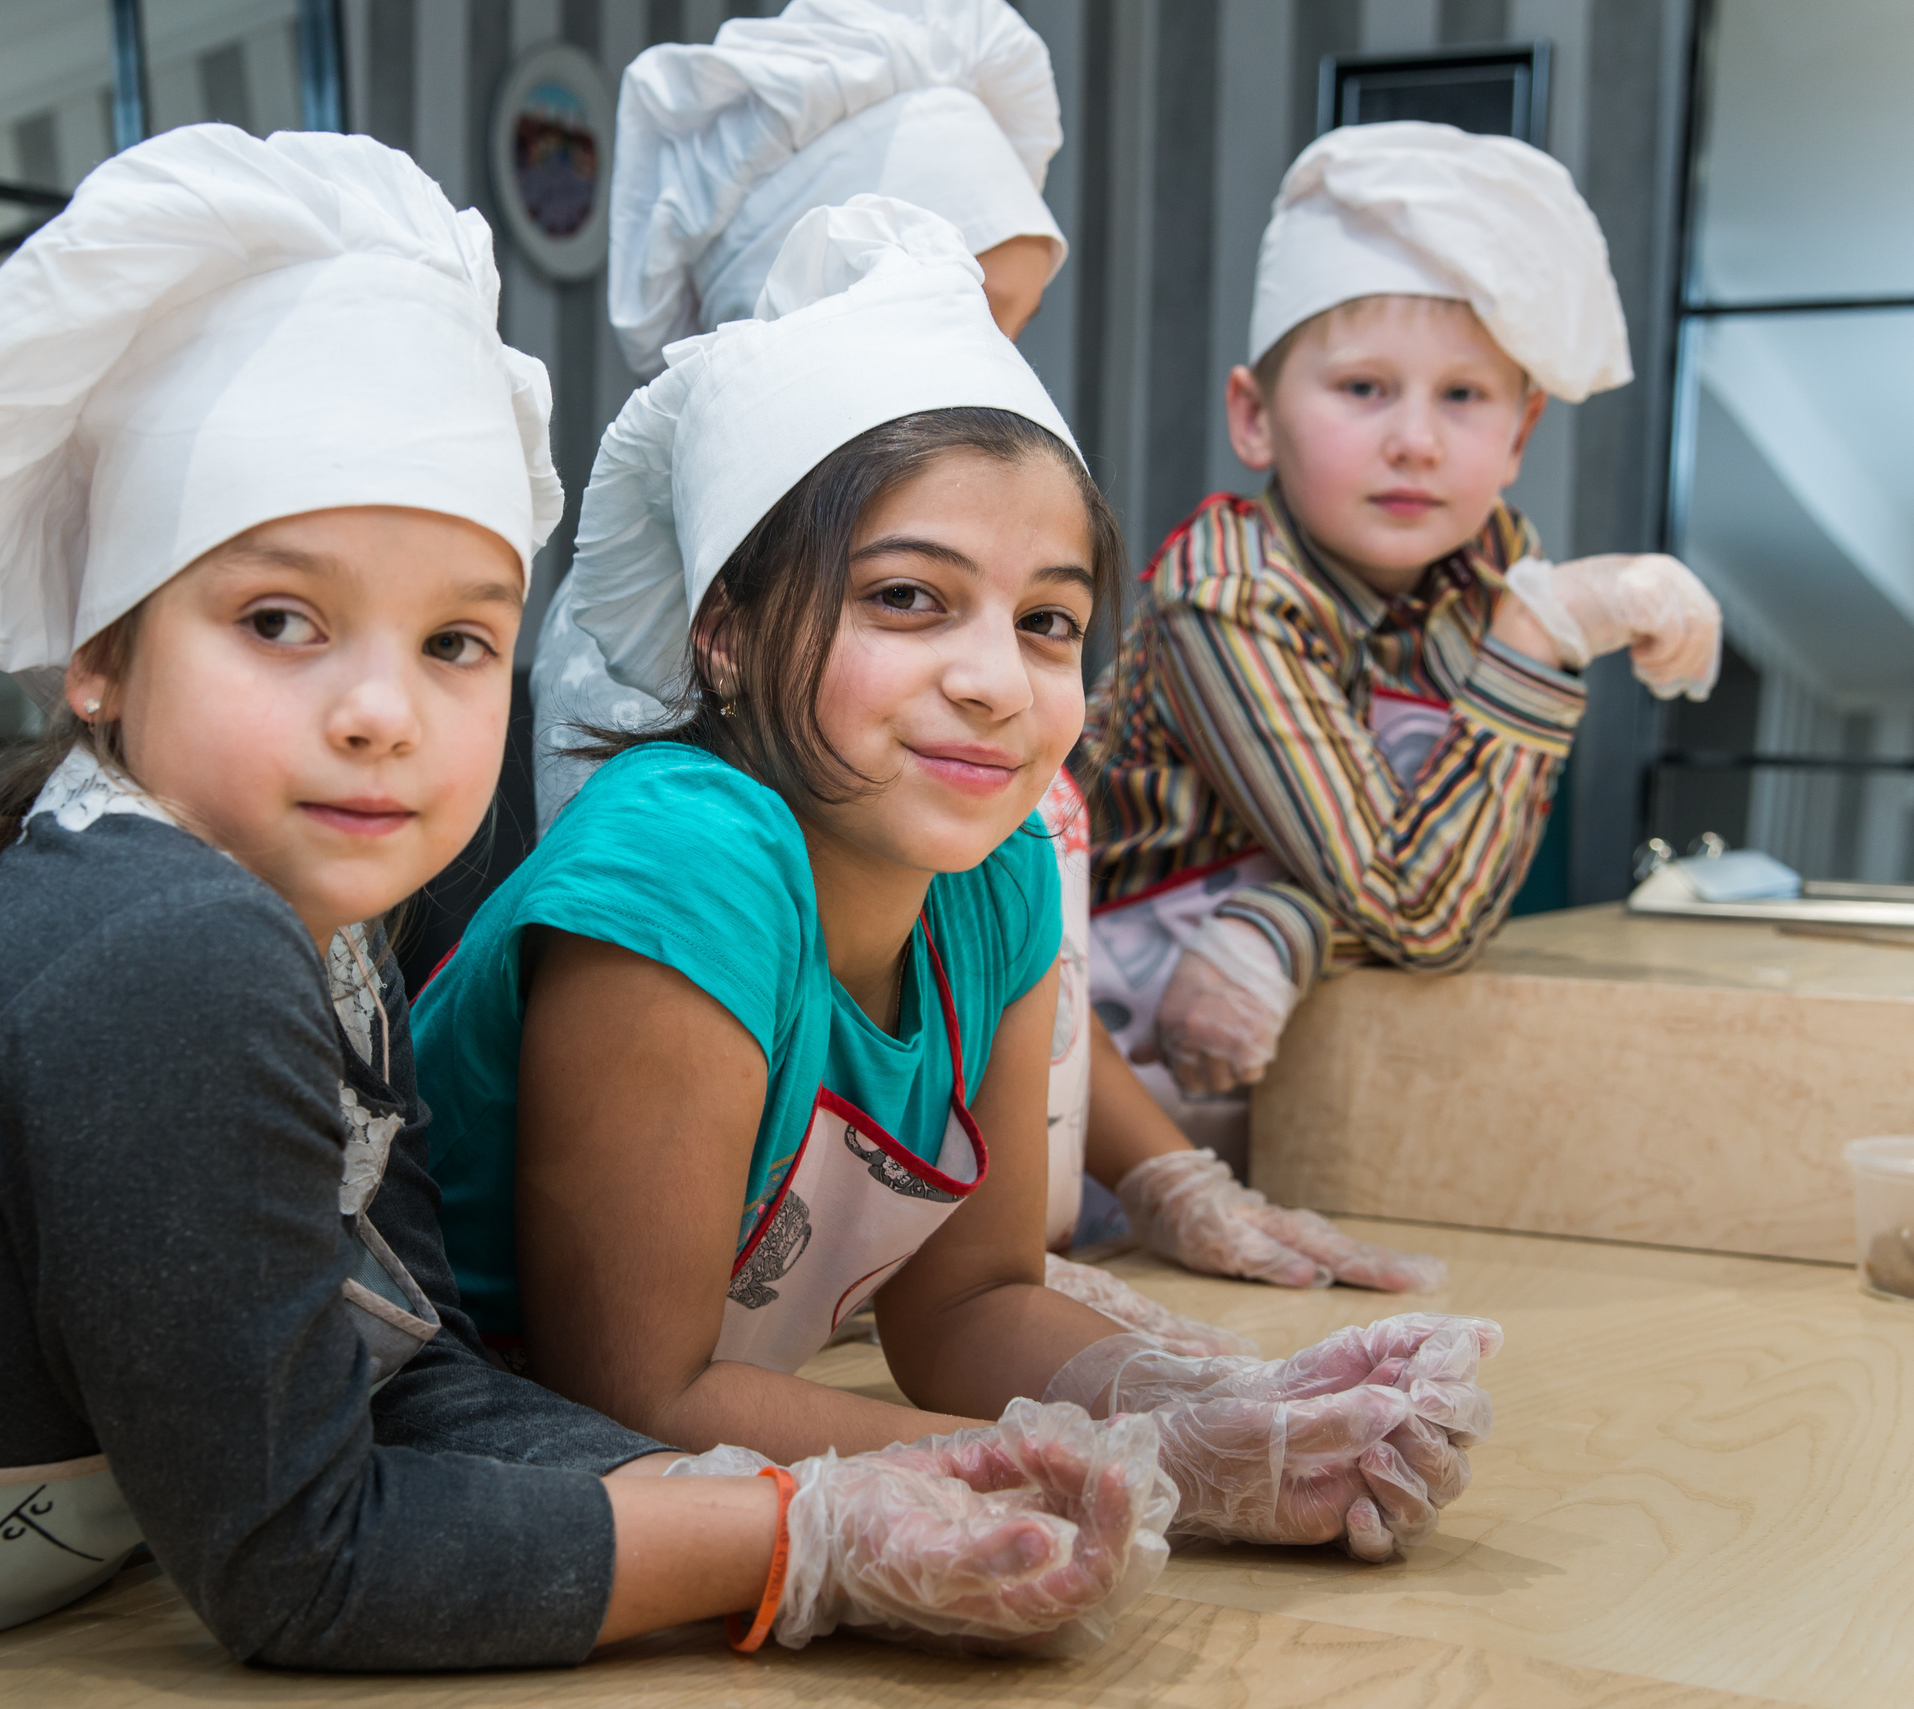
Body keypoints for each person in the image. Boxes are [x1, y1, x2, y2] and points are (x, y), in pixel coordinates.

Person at [0, 129, 1179, 1700]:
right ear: (99, 654)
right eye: (281, 620)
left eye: (459, 637)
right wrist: (804, 1536)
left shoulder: (306, 940)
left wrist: (917, 1475)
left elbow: (408, 1386)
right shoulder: (164, 940)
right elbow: (305, 1557)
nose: (383, 707)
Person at [417, 197, 1499, 1565]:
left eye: (1047, 620)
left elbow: (968, 1304)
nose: (995, 682)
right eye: (907, 599)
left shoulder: (993, 879)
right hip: (484, 1503)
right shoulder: (685, 852)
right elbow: (637, 1390)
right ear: (729, 633)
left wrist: (1236, 1408)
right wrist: (1144, 1465)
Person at [529, 0, 1445, 1318]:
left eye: (1001, 315)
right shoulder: (665, 802)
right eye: (909, 595)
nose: (972, 348)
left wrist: (1172, 1183)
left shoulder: (966, 747)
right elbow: (645, 1327)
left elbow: (990, 979)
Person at [1082, 121, 1722, 1210]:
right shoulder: (1226, 592)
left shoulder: (1491, 564)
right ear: (1254, 415)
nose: (1415, 441)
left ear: (1519, 435)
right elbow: (1420, 902)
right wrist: (1542, 634)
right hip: (1102, 1088)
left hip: (1321, 1081)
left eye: (1463, 396)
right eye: (1364, 388)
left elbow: (1456, 884)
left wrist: (1282, 924)